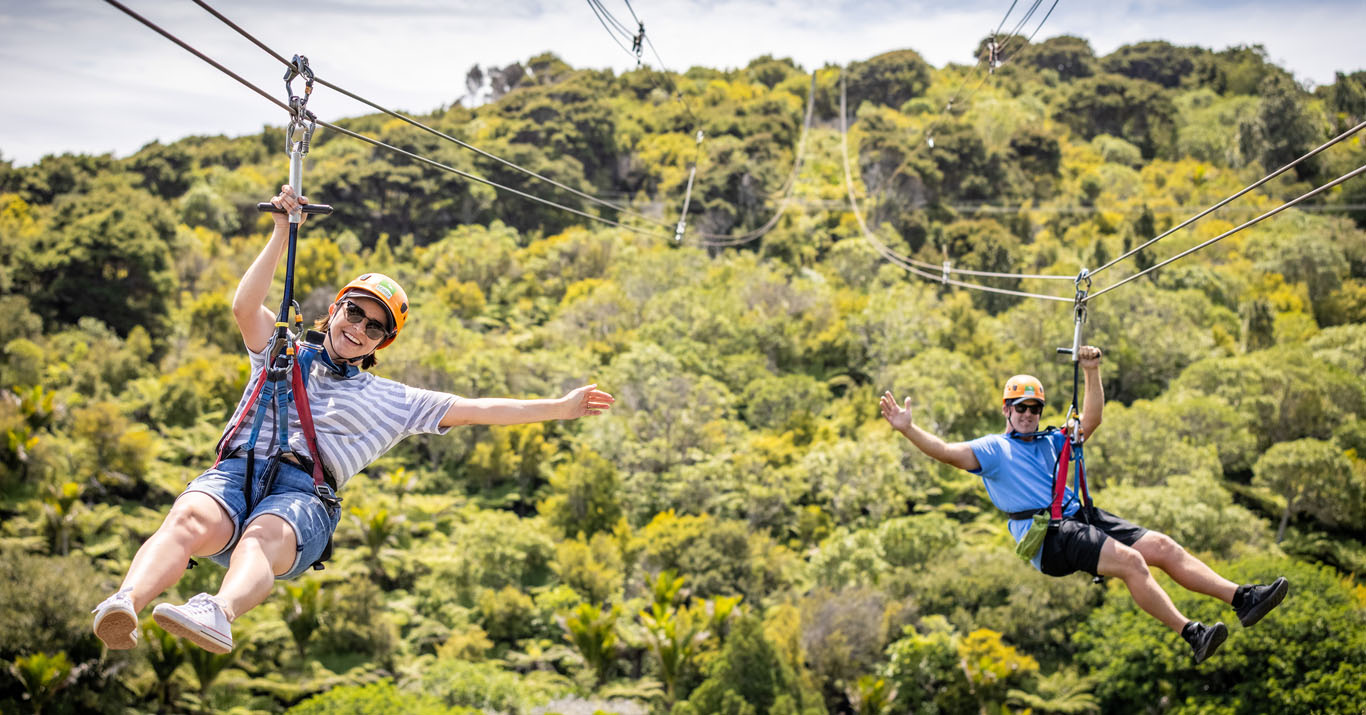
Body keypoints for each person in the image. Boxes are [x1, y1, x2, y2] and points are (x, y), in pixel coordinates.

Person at [91, 185, 615, 654]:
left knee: (261, 535)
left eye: (375, 327)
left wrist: (561, 407)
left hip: (303, 495)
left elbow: (480, 410)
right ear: (335, 311)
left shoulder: (391, 400)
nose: (360, 328)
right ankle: (126, 602)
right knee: (187, 519)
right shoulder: (282, 351)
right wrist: (280, 231)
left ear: (382, 343)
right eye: (354, 313)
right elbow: (245, 307)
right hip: (238, 470)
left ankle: (218, 612)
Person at [879, 346, 1287, 663]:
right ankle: (1192, 634)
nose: (1027, 414)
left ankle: (1243, 599)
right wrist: (908, 429)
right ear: (1006, 409)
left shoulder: (1051, 440)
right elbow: (947, 451)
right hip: (1048, 538)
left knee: (1162, 547)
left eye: (1034, 408)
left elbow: (1090, 421)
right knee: (1132, 563)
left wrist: (1091, 372)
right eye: (1020, 407)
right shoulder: (994, 449)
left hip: (1079, 517)